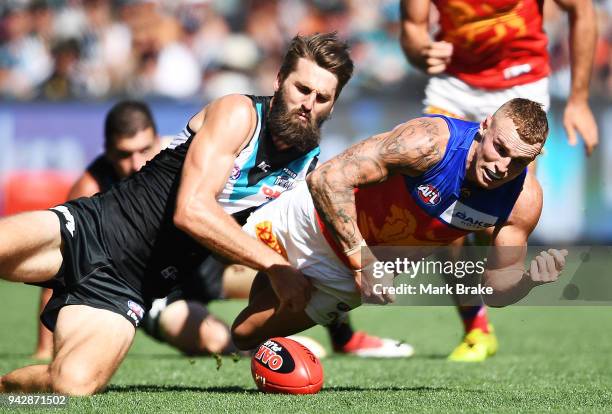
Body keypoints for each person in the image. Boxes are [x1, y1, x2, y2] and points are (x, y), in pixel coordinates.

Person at [0, 32, 353, 396]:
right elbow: (192, 210)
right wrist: (276, 268)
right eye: (302, 89)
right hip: (91, 230)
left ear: (332, 105)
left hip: (127, 289)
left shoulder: (306, 168)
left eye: (322, 97)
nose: (308, 103)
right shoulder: (239, 114)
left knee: (70, 386)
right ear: (280, 81)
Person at [230, 98, 568, 352]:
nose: (502, 167)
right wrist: (362, 259)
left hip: (346, 278)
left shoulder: (523, 201)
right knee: (215, 253)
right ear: (485, 125)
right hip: (314, 221)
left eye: (519, 162)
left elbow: (495, 289)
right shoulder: (429, 142)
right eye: (500, 148)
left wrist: (526, 283)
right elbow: (327, 179)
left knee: (245, 333)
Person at [399, 0, 598, 361]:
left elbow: (581, 8)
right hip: (453, 87)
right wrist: (421, 50)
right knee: (446, 217)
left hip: (521, 85)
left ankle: (496, 287)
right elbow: (413, 31)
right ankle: (476, 327)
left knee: (500, 216)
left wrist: (579, 99)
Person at [32, 100, 163, 359]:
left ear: (157, 141)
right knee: (213, 340)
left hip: (200, 263)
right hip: (149, 288)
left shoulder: (180, 161)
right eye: (125, 154)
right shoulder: (89, 190)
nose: (136, 163)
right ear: (108, 151)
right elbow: (60, 269)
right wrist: (44, 350)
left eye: (144, 149)